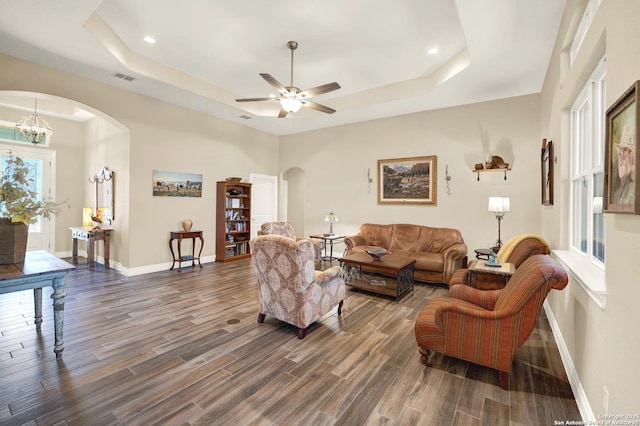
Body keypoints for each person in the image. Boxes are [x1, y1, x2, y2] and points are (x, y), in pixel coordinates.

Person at [612, 124, 635, 205]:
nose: (621, 161)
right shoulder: (616, 193)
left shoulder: (633, 189)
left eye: (624, 157)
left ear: (630, 159)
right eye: (620, 156)